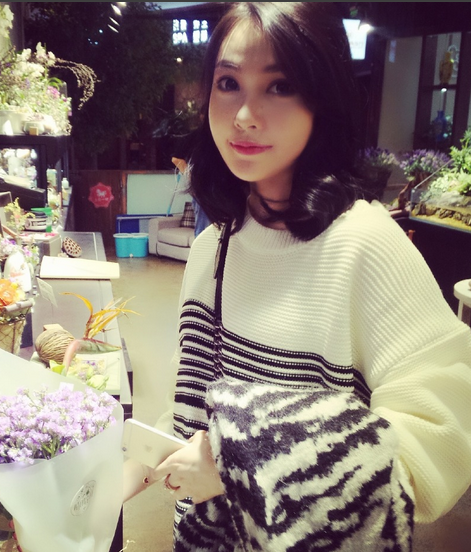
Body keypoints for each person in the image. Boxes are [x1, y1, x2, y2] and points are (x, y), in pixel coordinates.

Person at [123, 3, 471, 551]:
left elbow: (444, 434)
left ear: (322, 99)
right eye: (228, 83)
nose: (244, 115)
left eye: (279, 86)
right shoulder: (213, 249)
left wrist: (242, 465)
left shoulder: (363, 244)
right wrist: (131, 467)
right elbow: (195, 407)